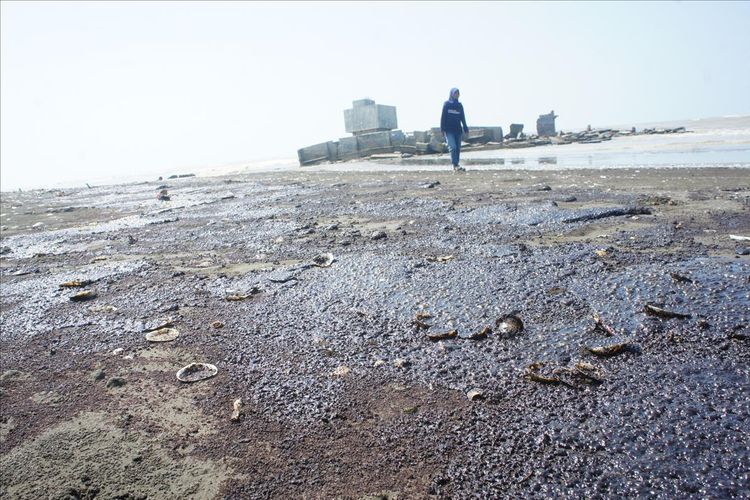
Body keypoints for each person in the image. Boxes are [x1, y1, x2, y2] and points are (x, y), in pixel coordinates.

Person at [440, 87, 469, 172]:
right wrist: (442, 129)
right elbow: (443, 117)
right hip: (449, 131)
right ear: (451, 94)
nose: (457, 95)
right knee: (452, 147)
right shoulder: (446, 104)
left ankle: (456, 165)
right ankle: (455, 164)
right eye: (455, 93)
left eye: (458, 93)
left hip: (458, 130)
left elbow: (463, 118)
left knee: (458, 148)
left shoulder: (459, 106)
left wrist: (466, 129)